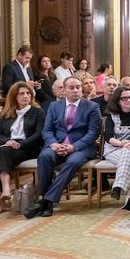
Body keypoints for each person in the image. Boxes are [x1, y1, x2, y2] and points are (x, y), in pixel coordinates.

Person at [25, 76, 101, 219]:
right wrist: (53, 144)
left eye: (78, 87)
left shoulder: (92, 107)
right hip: (57, 144)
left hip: (81, 148)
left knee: (72, 162)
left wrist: (74, 147)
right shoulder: (54, 106)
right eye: (71, 88)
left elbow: (93, 133)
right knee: (45, 156)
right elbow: (47, 130)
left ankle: (45, 201)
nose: (76, 90)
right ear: (64, 90)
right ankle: (47, 201)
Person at [0, 82, 45, 215]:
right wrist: (8, 141)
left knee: (1, 155)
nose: (25, 96)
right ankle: (6, 188)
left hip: (29, 148)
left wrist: (20, 144)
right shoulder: (6, 113)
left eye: (28, 93)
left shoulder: (38, 112)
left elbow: (39, 135)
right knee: (3, 151)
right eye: (22, 94)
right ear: (14, 96)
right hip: (9, 146)